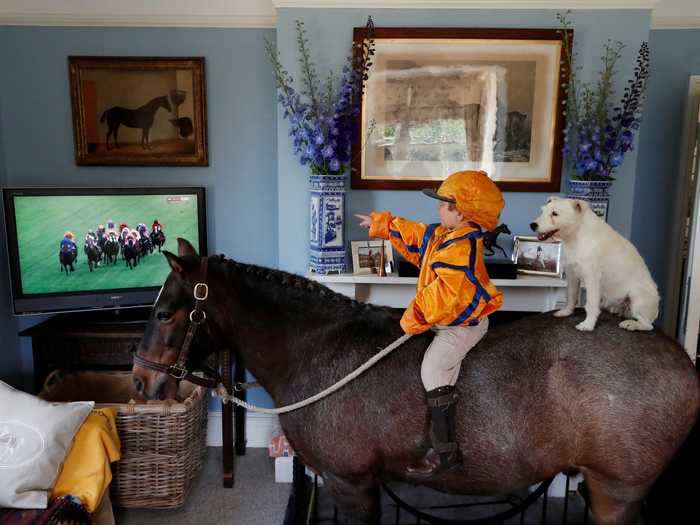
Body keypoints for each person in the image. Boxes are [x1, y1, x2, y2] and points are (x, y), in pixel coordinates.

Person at [355, 170, 505, 477]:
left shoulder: (463, 247)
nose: (437, 210)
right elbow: (418, 236)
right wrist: (383, 224)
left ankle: (445, 453)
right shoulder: (446, 235)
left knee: (433, 369)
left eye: (442, 205)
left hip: (461, 326)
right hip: (446, 321)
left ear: (460, 211)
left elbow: (444, 294)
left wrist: (411, 318)